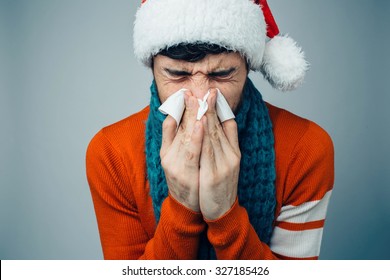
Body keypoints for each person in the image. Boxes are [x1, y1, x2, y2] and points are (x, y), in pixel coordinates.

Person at [86, 0, 334, 260]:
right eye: (177, 74)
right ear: (153, 68)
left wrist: (225, 214)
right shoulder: (111, 153)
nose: (201, 97)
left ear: (248, 66)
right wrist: (182, 206)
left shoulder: (305, 149)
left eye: (222, 74)